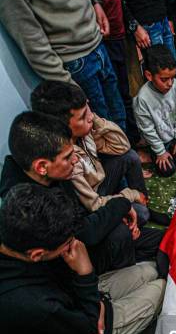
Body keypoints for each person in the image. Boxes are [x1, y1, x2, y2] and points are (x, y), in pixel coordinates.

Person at [0, 184, 165, 334]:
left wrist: (95, 299)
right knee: (163, 287)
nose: (77, 244)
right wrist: (85, 273)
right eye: (69, 243)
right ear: (37, 254)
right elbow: (90, 328)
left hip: (82, 297)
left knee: (150, 270)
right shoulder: (33, 302)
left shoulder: (16, 243)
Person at [0, 112, 164, 276]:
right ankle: (128, 272)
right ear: (41, 166)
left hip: (91, 231)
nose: (76, 160)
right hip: (76, 266)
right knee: (122, 235)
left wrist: (117, 211)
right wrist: (121, 205)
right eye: (68, 157)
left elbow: (84, 213)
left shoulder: (51, 173)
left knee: (166, 239)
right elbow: (86, 233)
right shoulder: (26, 206)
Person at [0, 0, 126, 132]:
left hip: (96, 41)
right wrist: (64, 82)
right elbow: (17, 15)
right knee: (101, 141)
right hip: (72, 59)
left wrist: (93, 1)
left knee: (118, 126)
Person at [30, 80, 152, 224]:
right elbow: (94, 204)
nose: (89, 117)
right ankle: (137, 211)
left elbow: (122, 147)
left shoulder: (83, 133)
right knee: (142, 215)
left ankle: (144, 200)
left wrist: (94, 118)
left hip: (101, 184)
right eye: (82, 117)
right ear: (63, 125)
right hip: (93, 201)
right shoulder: (68, 161)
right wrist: (131, 195)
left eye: (88, 106)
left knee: (130, 156)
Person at [72, 0, 139, 142]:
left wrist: (95, 2)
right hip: (99, 34)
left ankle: (130, 149)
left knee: (120, 97)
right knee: (104, 114)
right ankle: (125, 153)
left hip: (112, 26)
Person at [135, 46, 176, 177]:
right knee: (167, 171)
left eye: (172, 77)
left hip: (174, 136)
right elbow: (147, 129)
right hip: (157, 141)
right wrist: (160, 152)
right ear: (149, 75)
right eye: (164, 79)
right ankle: (149, 153)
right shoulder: (142, 99)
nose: (170, 84)